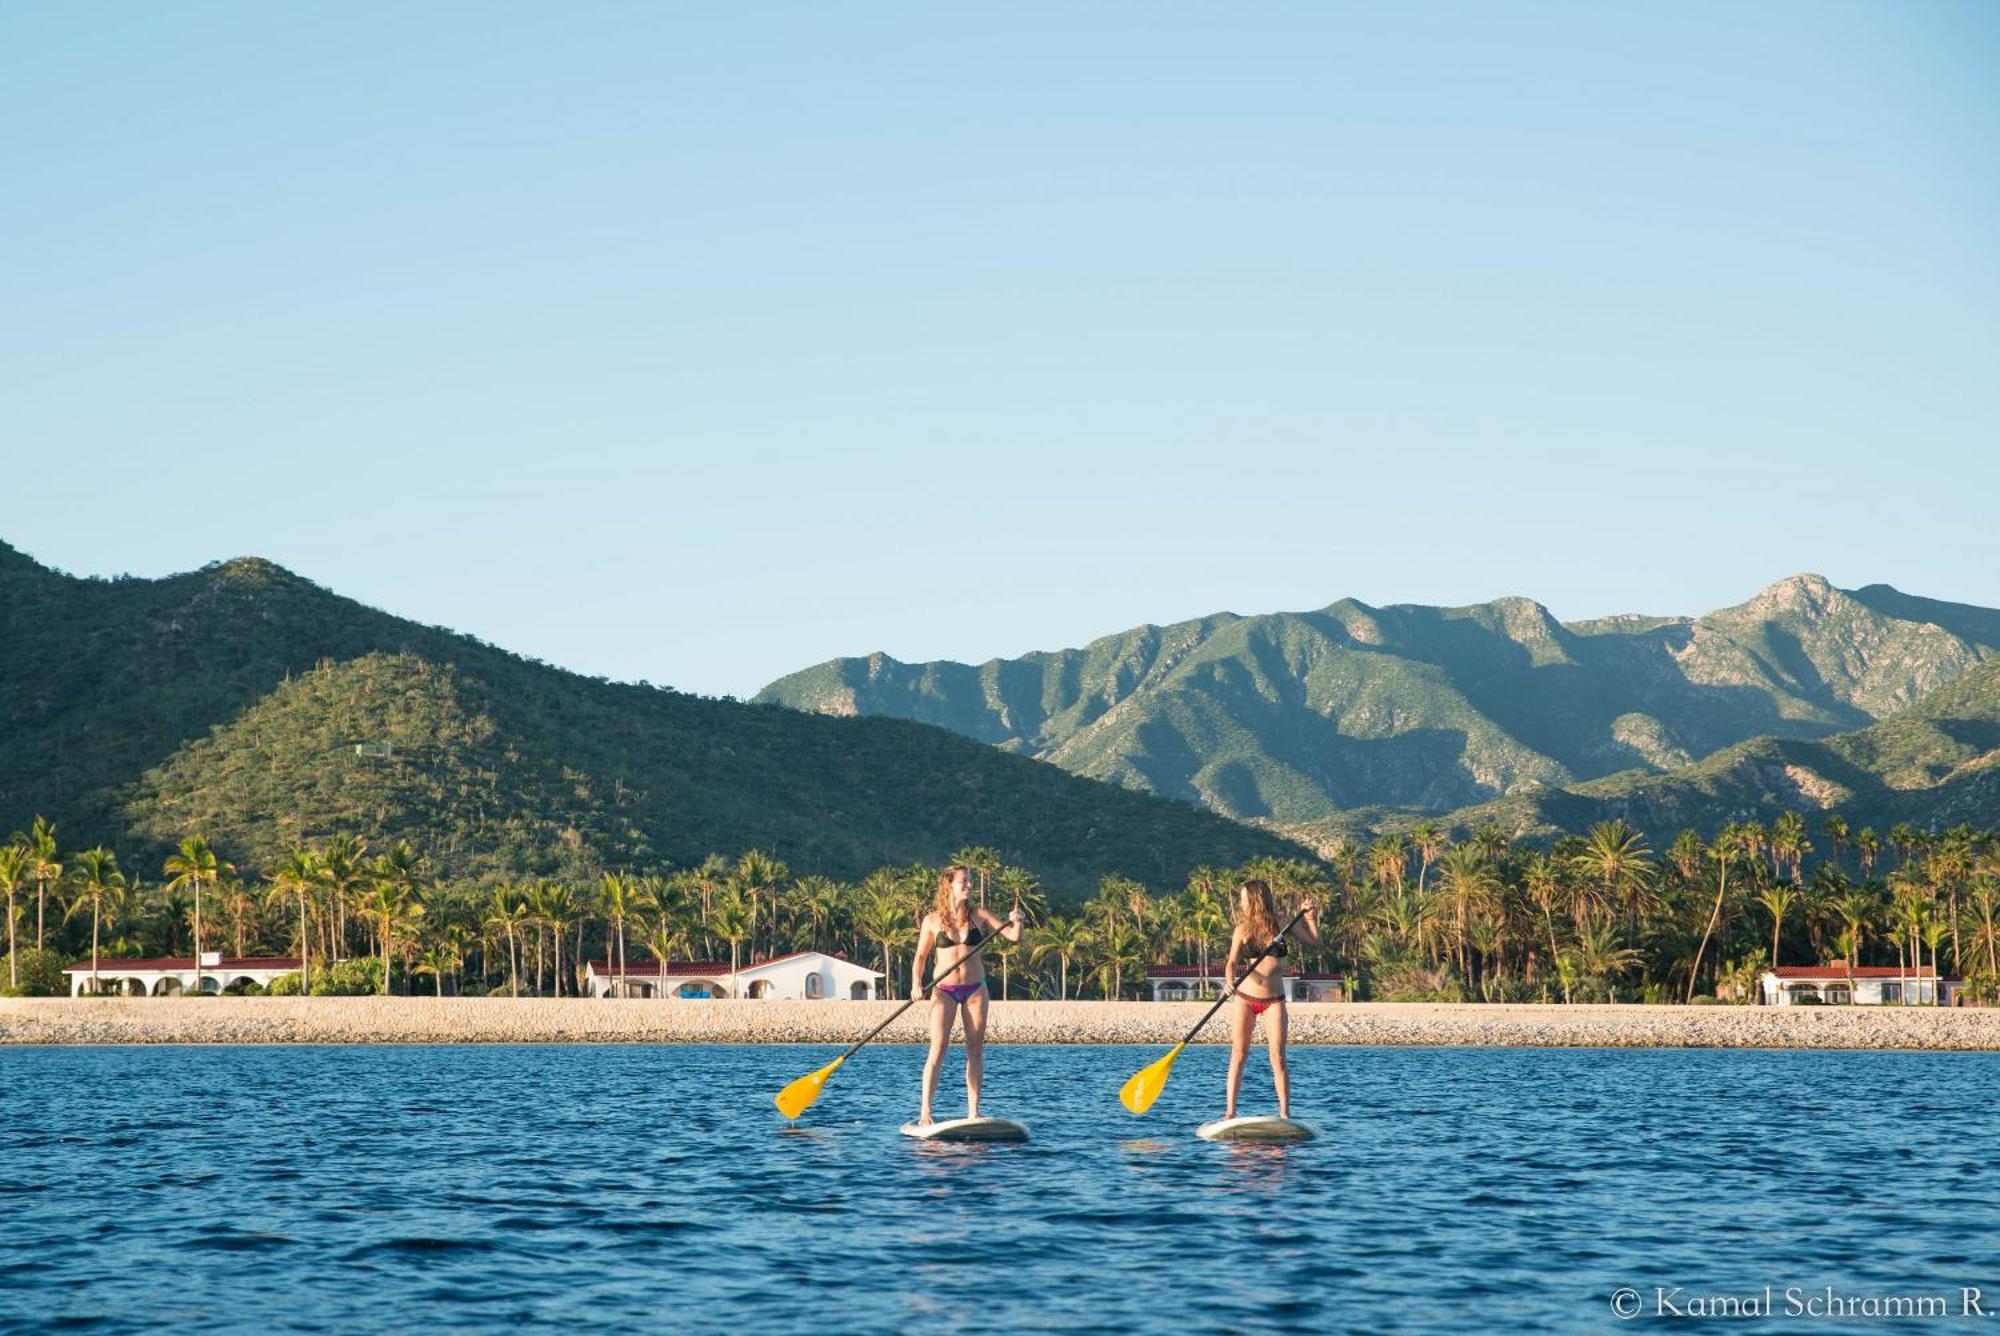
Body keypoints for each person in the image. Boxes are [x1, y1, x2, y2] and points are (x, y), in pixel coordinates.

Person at [912, 865, 1025, 1125]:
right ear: (949, 884)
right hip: (944, 991)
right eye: (964, 881)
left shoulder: (979, 914)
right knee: (938, 1048)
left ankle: (973, 1112)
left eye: (971, 881)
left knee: (975, 1049)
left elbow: (1012, 937)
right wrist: (916, 984)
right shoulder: (931, 920)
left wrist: (1018, 922)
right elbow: (920, 957)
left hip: (976, 989)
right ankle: (925, 1112)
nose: (969, 885)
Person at [1222, 878, 1319, 1121]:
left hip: (1274, 1000)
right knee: (1239, 1053)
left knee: (1278, 1057)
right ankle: (1230, 1112)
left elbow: (1315, 943)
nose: (1241, 904)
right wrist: (1229, 980)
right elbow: (1231, 962)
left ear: (1257, 900)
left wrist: (1309, 919)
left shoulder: (1284, 923)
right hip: (1245, 998)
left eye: (1245, 899)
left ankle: (1285, 1114)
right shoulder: (1242, 929)